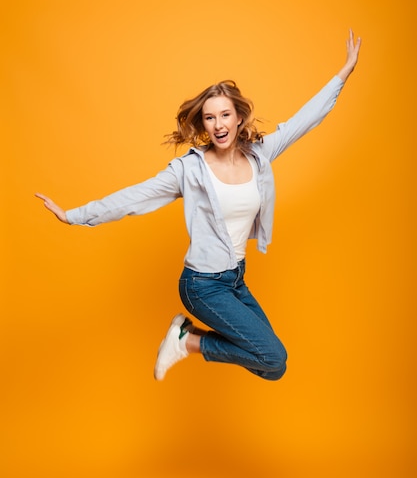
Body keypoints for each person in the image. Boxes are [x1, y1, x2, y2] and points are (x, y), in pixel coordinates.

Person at [36, 29, 361, 382]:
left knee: (273, 367)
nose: (218, 125)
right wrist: (75, 216)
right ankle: (188, 341)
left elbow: (303, 121)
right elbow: (135, 196)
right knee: (271, 354)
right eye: (210, 118)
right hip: (201, 285)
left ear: (239, 118)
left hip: (235, 279)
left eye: (225, 115)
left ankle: (185, 339)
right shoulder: (190, 170)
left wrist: (343, 73)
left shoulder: (259, 155)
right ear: (203, 124)